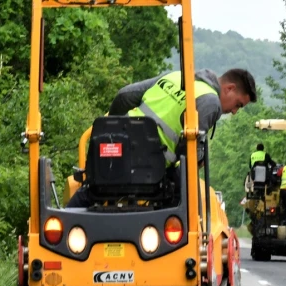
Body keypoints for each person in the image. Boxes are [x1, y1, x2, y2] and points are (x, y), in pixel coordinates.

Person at [69, 68, 257, 206]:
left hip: (114, 150)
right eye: (238, 105)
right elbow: (187, 152)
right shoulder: (210, 101)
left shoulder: (176, 76)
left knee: (91, 192)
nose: (233, 112)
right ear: (229, 88)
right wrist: (198, 159)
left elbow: (124, 96)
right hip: (150, 167)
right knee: (186, 201)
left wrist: (111, 130)